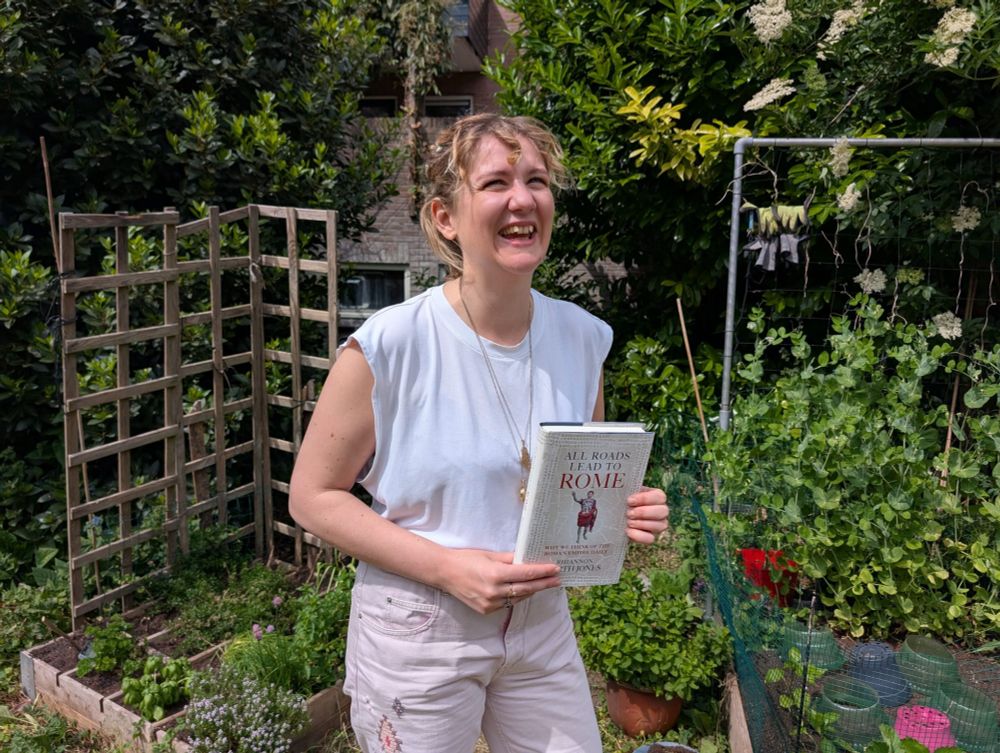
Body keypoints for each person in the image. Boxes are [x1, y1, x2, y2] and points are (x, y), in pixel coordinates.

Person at [289, 113, 669, 753]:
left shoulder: (582, 338)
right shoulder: (391, 345)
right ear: (445, 217)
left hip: (541, 626)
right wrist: (447, 568)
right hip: (420, 631)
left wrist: (625, 508)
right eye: (496, 182)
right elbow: (312, 496)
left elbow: (571, 480)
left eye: (537, 180)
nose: (522, 200)